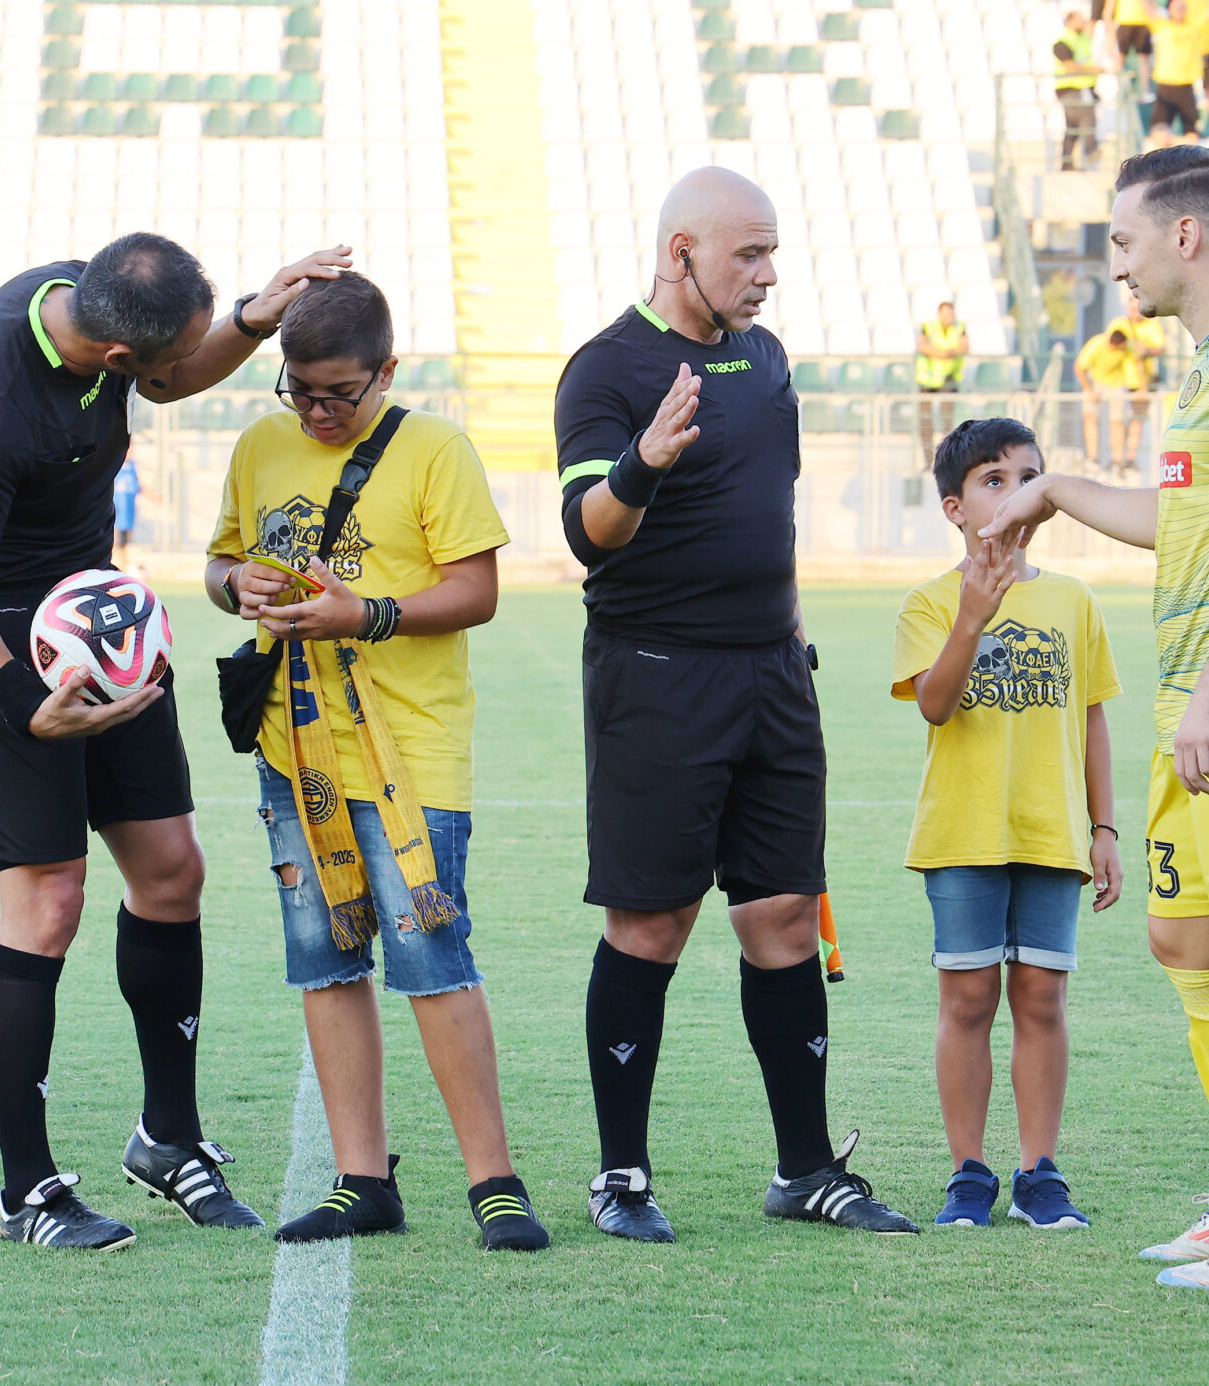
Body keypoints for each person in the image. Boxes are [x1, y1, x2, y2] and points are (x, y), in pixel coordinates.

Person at [0, 232, 348, 1251]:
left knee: (169, 870)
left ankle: (168, 1138)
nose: (173, 374)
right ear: (115, 354)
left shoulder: (92, 307)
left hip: (102, 617)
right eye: (160, 360)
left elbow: (170, 376)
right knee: (47, 899)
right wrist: (25, 699)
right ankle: (27, 1190)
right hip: (6, 634)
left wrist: (253, 312)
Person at [984, 144, 1209, 1293]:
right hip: (1194, 710)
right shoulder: (1207, 367)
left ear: (1184, 235)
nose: (1115, 261)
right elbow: (1175, 521)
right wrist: (1050, 490)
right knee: (1183, 941)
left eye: (1122, 238)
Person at [554, 166, 918, 1243]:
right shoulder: (607, 369)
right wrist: (642, 463)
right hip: (655, 678)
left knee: (779, 916)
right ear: (680, 255)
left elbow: (775, 510)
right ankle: (620, 1175)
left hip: (770, 673)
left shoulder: (763, 360)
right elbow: (584, 534)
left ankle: (803, 1170)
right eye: (744, 255)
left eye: (770, 254)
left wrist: (792, 629)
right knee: (652, 923)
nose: (764, 276)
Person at [202, 272, 549, 1253]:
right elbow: (220, 562)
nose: (314, 410)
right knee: (324, 966)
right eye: (298, 389)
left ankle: (494, 1181)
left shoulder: (434, 448)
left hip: (411, 755)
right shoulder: (259, 444)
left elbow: (474, 590)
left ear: (386, 372)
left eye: (337, 393)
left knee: (431, 960)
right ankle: (362, 1179)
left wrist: (363, 613)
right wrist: (243, 589)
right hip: (293, 749)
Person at [893, 418, 1122, 1230]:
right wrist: (973, 613)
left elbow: (1092, 719)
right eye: (995, 479)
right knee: (966, 1001)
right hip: (963, 833)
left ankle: (1039, 1172)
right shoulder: (929, 601)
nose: (1017, 490)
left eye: (1029, 475)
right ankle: (968, 1173)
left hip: (1051, 833)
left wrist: (1105, 829)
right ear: (955, 507)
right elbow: (934, 702)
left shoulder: (1072, 599)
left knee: (1042, 999)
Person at [1107, 290, 1168, 479]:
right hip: (1119, 380)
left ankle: (1130, 459)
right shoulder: (1118, 325)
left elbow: (1161, 347)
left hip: (1143, 382)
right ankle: (1116, 459)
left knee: (1137, 420)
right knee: (1116, 420)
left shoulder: (1152, 324)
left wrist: (1146, 350)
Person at [1074, 327, 1138, 474]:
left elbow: (1135, 368)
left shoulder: (1127, 348)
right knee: (1090, 417)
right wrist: (1088, 389)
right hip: (1095, 383)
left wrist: (1139, 388)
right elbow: (1079, 367)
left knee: (1117, 421)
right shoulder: (1096, 344)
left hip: (1116, 385)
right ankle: (1092, 458)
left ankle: (1117, 460)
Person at [1143, 0, 1205, 146]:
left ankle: (1181, 148)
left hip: (1186, 85)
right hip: (1166, 85)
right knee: (1158, 133)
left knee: (1192, 133)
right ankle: (1178, 146)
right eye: (1177, 7)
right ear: (1169, 9)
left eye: (1183, 7)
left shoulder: (1193, 26)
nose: (1180, 10)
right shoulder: (1162, 26)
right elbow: (1147, 8)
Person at [915, 302, 970, 468]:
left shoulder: (959, 327)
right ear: (939, 314)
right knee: (925, 422)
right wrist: (943, 353)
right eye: (945, 314)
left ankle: (946, 461)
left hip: (948, 378)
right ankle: (928, 461)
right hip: (927, 380)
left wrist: (944, 353)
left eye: (950, 314)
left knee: (947, 423)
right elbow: (922, 345)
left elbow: (964, 346)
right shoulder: (928, 327)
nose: (948, 318)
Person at [1054, 11, 1102, 171]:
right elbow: (1069, 66)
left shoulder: (1082, 40)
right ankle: (1091, 149)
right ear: (1070, 21)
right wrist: (1092, 70)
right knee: (1086, 114)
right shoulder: (1063, 42)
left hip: (1082, 88)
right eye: (1080, 20)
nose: (1083, 23)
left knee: (1072, 128)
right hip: (1071, 89)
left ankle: (1067, 163)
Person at [111, 453, 147, 572]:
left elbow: (138, 487)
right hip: (117, 514)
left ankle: (122, 568)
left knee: (124, 545)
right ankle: (115, 568)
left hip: (128, 515)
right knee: (117, 544)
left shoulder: (132, 467)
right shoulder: (115, 466)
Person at [1114, 0, 1154, 98]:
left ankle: (1145, 89)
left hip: (1143, 21)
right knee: (1121, 56)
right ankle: (1116, 89)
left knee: (1143, 57)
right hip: (1124, 20)